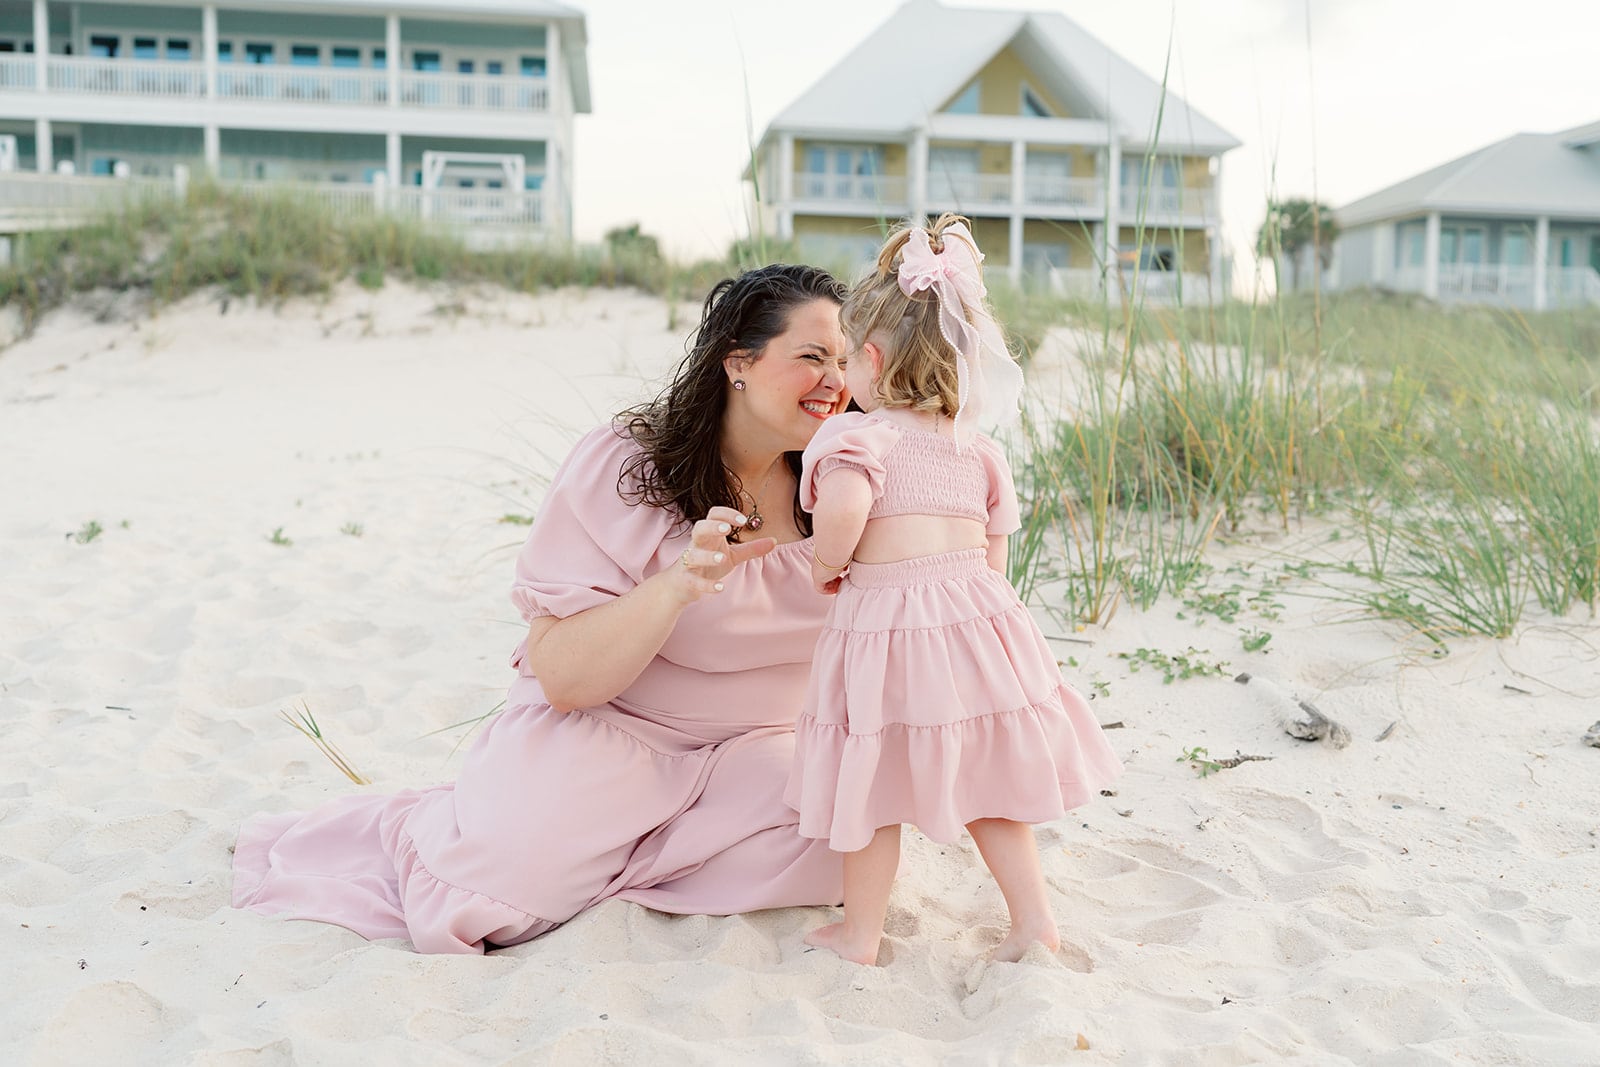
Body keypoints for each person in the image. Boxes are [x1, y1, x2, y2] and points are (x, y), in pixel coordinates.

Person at [233, 264, 854, 953]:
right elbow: (562, 675)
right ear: (738, 362)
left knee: (843, 851)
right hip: (611, 736)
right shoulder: (627, 468)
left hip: (758, 754)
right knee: (487, 903)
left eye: (847, 361)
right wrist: (677, 583)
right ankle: (568, 841)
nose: (835, 379)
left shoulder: (845, 486)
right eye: (812, 356)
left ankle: (621, 864)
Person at [784, 215, 1124, 966]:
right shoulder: (979, 449)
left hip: (884, 629)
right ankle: (1034, 919)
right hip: (978, 626)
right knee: (991, 787)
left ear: (868, 360)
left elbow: (841, 512)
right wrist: (971, 618)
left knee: (870, 791)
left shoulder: (857, 438)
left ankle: (861, 935)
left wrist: (825, 563)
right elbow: (994, 549)